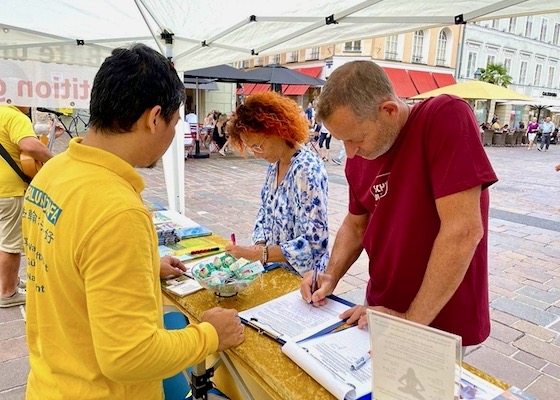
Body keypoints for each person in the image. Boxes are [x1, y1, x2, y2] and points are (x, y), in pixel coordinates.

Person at [22, 44, 244, 399]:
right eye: (173, 123)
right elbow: (129, 355)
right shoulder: (117, 211)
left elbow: (65, 263)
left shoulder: (54, 172)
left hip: (50, 383)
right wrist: (210, 335)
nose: (172, 136)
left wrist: (140, 267)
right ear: (154, 118)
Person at [301, 61, 498, 348]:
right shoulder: (359, 160)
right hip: (381, 308)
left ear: (389, 111)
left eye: (356, 138)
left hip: (441, 319)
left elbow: (463, 231)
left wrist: (408, 322)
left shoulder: (443, 116)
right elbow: (356, 224)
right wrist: (330, 275)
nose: (350, 153)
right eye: (342, 141)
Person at [225, 91, 329, 276]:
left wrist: (261, 254)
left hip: (303, 279)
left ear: (277, 130)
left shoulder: (307, 170)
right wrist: (259, 244)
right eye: (251, 148)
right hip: (276, 269)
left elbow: (315, 242)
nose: (257, 154)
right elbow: (265, 211)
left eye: (258, 145)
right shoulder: (276, 164)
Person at [0, 105, 54, 308]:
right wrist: (54, 161)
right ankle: (8, 293)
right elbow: (29, 145)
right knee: (11, 244)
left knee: (5, 237)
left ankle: (11, 282)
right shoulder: (14, 116)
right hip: (9, 190)